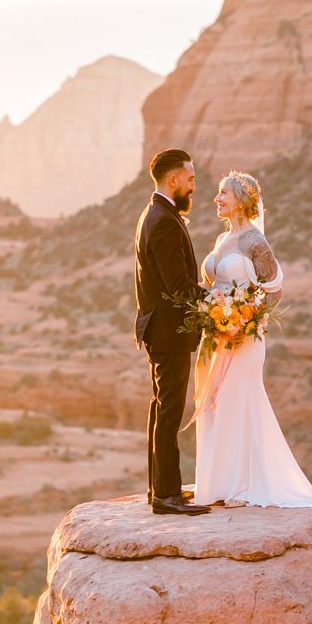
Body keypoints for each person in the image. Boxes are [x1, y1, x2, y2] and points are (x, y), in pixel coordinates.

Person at [189, 171, 312, 554]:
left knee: (238, 402)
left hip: (244, 340)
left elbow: (274, 290)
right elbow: (216, 284)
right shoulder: (222, 238)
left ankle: (243, 485)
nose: (216, 199)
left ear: (242, 201)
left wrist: (246, 320)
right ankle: (218, 484)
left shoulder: (254, 241)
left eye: (223, 194)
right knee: (215, 404)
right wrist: (216, 315)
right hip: (217, 335)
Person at [132, 148, 209, 516]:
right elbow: (178, 286)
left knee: (162, 407)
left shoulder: (156, 213)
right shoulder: (162, 219)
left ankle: (160, 489)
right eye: (190, 179)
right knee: (170, 410)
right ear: (174, 180)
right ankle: (166, 496)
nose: (193, 186)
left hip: (161, 331)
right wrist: (217, 299)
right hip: (168, 332)